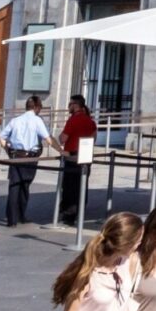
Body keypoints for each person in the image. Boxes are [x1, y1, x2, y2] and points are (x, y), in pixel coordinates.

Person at [0, 95, 59, 228]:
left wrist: (8, 151)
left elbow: (1, 137)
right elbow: (48, 139)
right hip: (30, 157)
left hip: (15, 156)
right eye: (40, 108)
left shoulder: (15, 120)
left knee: (14, 186)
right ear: (36, 107)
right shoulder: (37, 120)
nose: (40, 110)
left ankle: (11, 219)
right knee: (25, 186)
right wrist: (61, 151)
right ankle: (21, 215)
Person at [57, 94, 100, 227]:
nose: (68, 107)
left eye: (70, 104)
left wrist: (60, 137)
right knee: (82, 185)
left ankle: (69, 214)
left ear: (76, 105)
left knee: (69, 187)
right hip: (85, 157)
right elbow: (94, 138)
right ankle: (80, 212)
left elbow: (63, 139)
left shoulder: (73, 120)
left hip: (72, 157)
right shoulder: (90, 122)